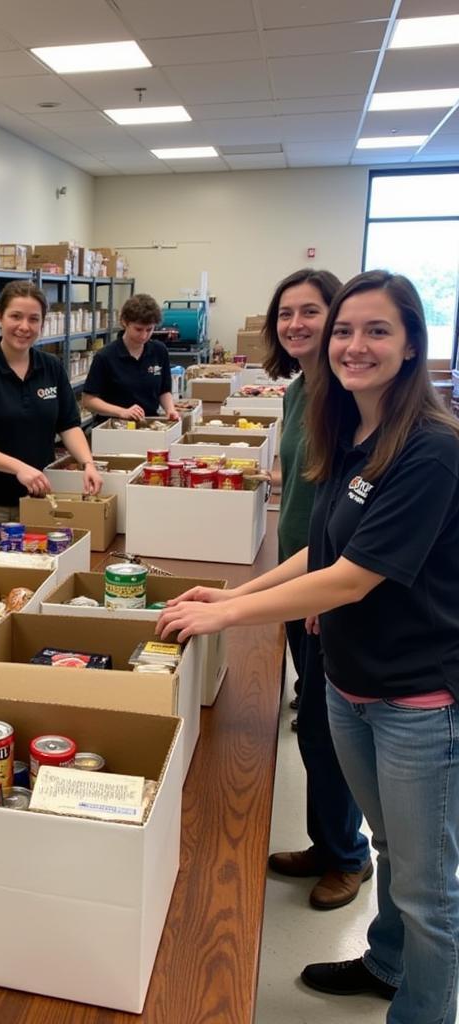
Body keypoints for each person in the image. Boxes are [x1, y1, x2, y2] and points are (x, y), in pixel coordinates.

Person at [158, 270, 459, 1022]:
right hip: (350, 684)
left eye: (377, 330)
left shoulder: (431, 451)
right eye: (345, 332)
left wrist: (231, 621)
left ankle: (420, 1009)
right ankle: (388, 964)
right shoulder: (347, 430)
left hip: (418, 697)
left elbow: (351, 580)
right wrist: (235, 595)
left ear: (412, 343)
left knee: (429, 890)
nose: (355, 346)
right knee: (389, 846)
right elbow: (321, 550)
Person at [261, 269, 371, 910]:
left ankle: (347, 857)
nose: (296, 324)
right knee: (314, 727)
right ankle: (327, 842)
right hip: (302, 571)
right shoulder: (300, 389)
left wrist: (323, 594)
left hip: (326, 585)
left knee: (331, 732)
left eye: (310, 311)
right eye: (285, 314)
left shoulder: (344, 395)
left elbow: (351, 510)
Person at [0, 280, 102, 538]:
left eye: (34, 319)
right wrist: (19, 467)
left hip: (36, 499)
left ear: (42, 323)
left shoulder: (51, 367)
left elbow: (68, 424)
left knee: (36, 572)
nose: (24, 327)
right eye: (16, 317)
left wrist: (88, 463)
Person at [81, 293, 180, 426]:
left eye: (149, 329)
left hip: (149, 425)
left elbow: (164, 391)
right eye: (138, 329)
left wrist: (170, 410)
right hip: (114, 426)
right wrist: (122, 412)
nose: (144, 335)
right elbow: (88, 401)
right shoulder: (105, 356)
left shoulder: (159, 351)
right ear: (124, 322)